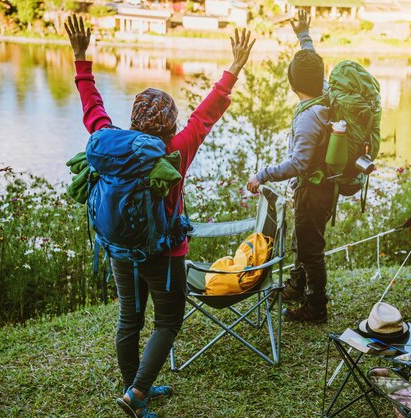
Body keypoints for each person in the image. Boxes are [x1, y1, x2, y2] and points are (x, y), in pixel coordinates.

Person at [65, 15, 255, 417]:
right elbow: (204, 117)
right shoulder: (176, 150)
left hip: (120, 250)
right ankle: (136, 395)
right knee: (167, 323)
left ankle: (135, 386)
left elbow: (92, 109)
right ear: (168, 124)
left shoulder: (110, 148)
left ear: (134, 120)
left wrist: (82, 59)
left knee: (129, 319)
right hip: (165, 255)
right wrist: (233, 70)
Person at [247, 10, 332, 324]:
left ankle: (316, 307)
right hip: (318, 187)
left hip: (315, 190)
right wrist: (303, 35)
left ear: (293, 83)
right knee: (303, 238)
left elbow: (299, 163)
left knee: (311, 247)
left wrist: (263, 175)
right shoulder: (322, 91)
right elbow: (312, 61)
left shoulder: (310, 117)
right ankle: (297, 285)